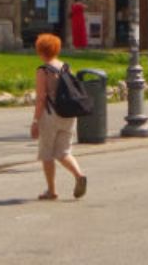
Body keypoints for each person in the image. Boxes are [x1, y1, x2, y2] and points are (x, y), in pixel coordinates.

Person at [29, 32, 87, 201]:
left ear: (40, 50)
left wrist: (35, 121)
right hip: (68, 114)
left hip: (50, 114)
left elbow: (41, 98)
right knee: (63, 151)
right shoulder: (65, 67)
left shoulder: (43, 71)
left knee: (47, 153)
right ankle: (78, 174)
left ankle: (51, 190)